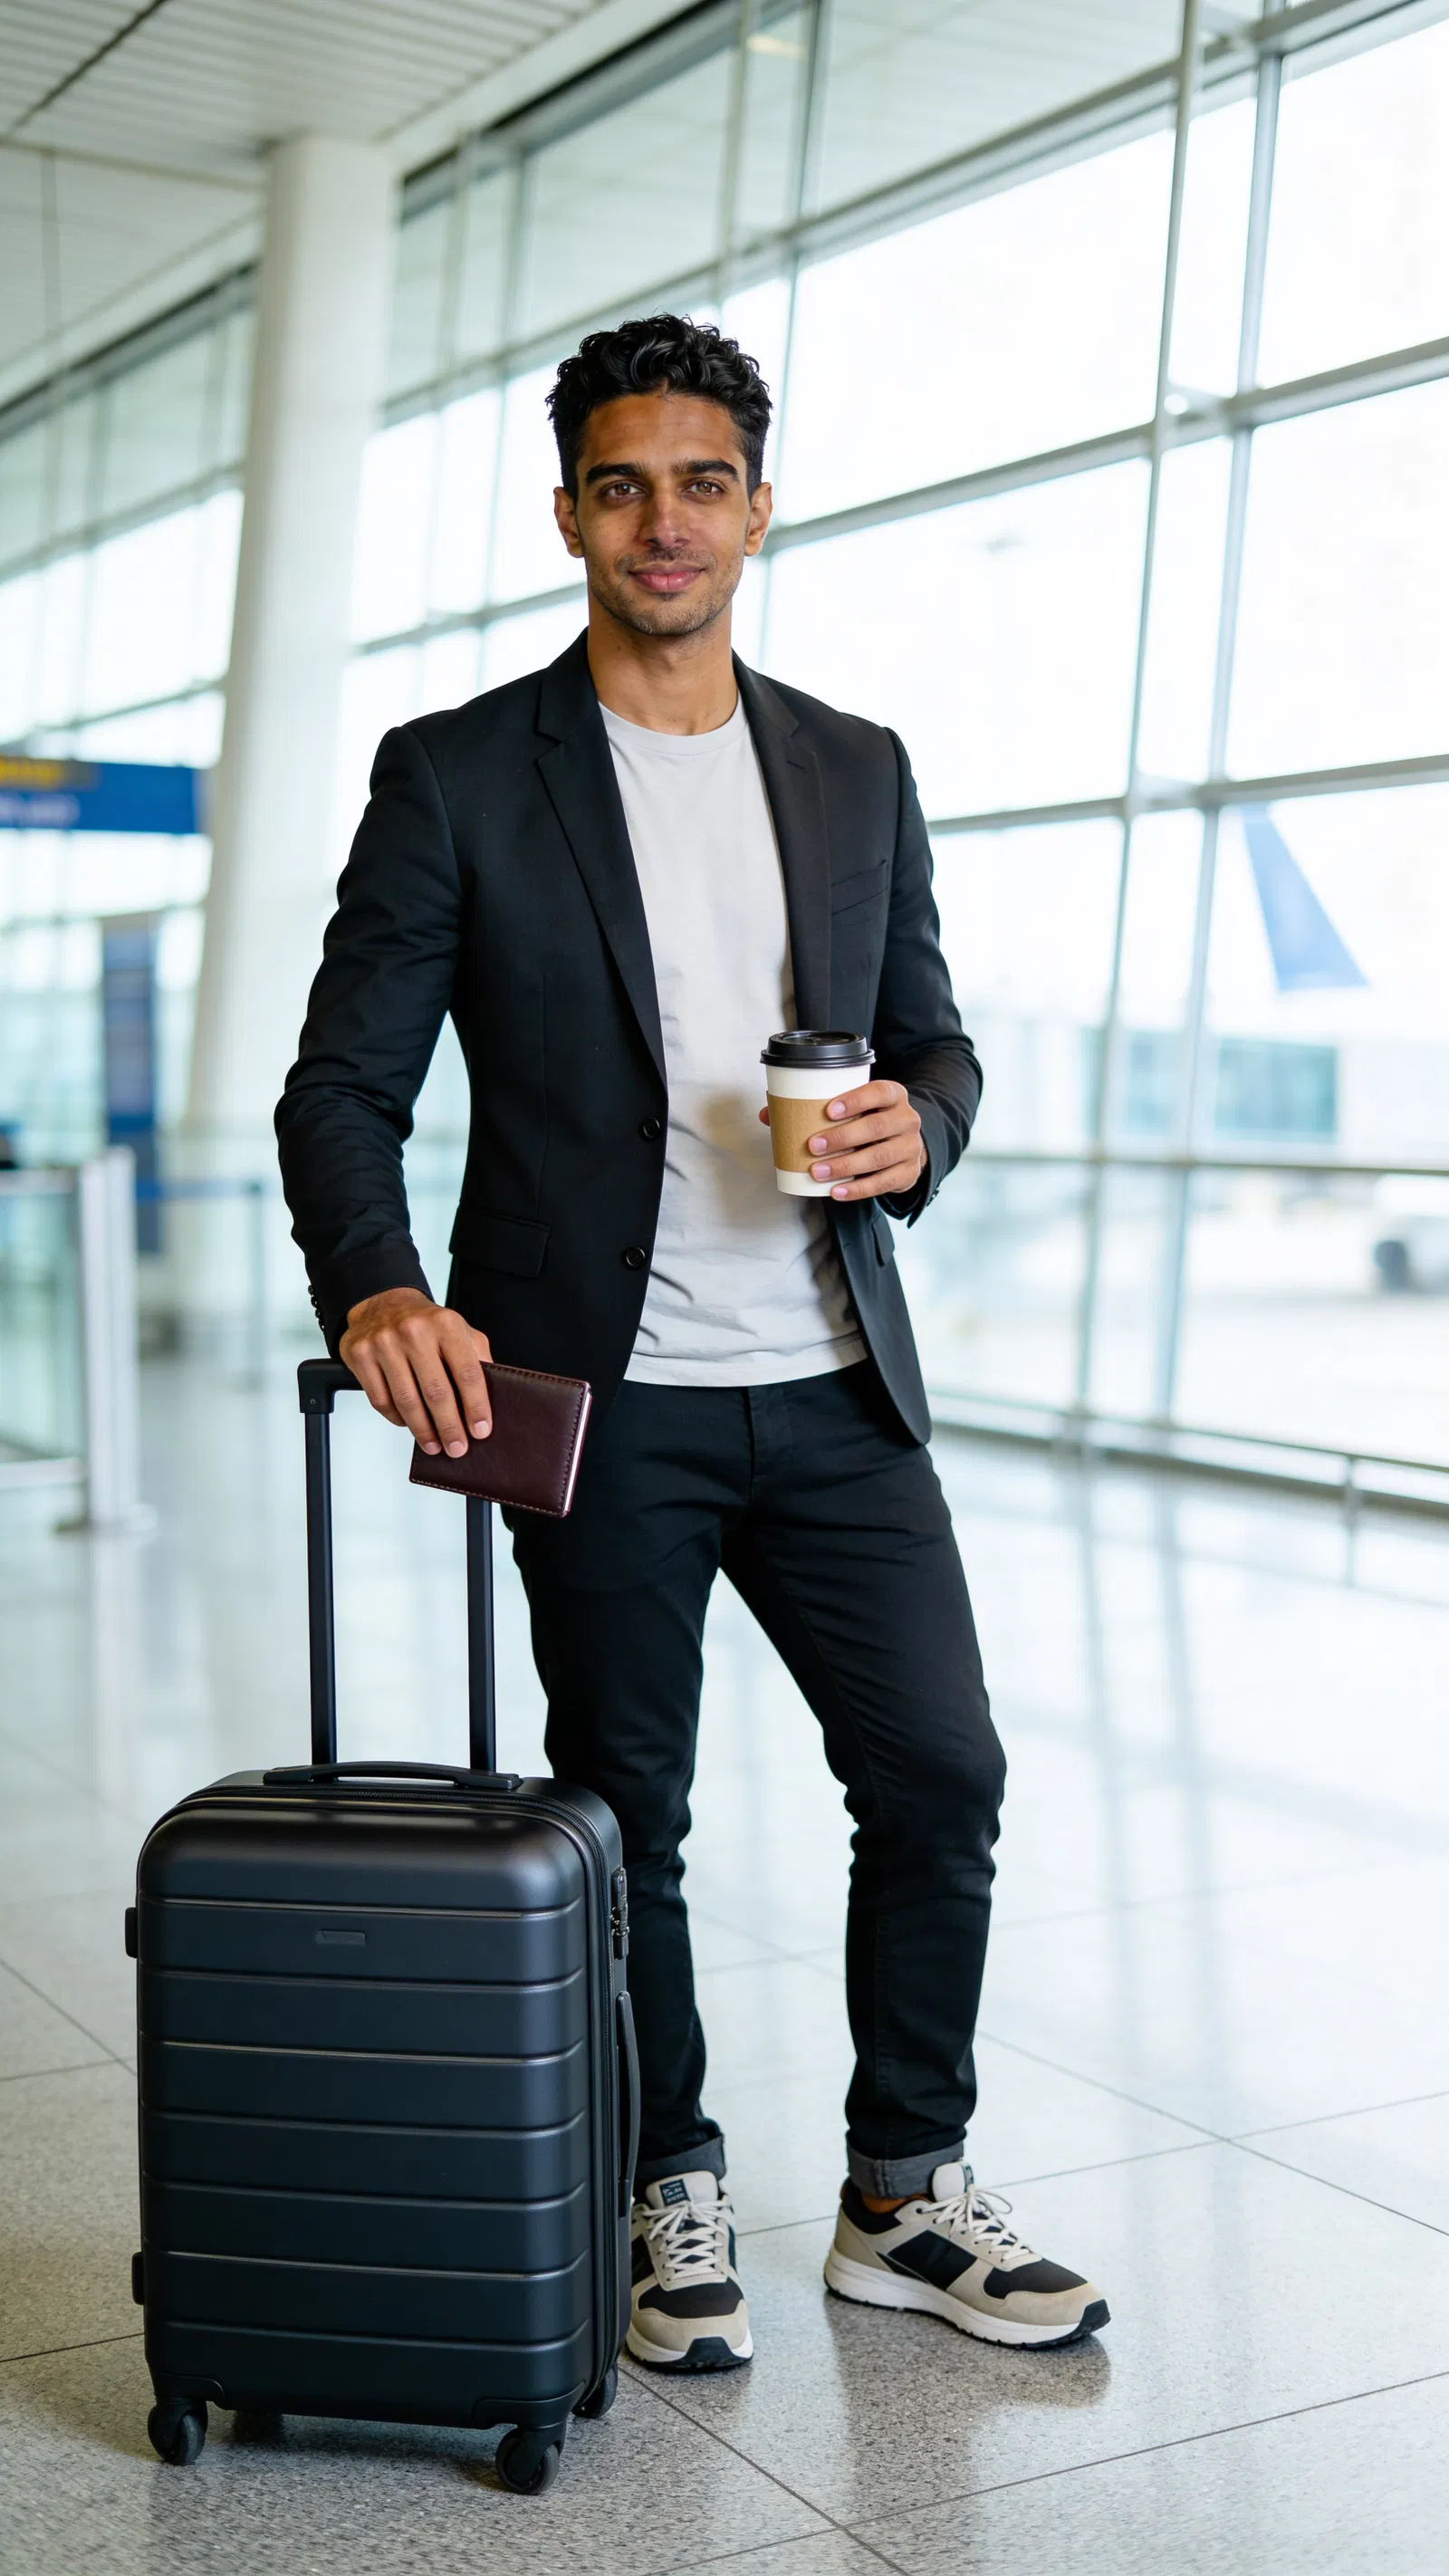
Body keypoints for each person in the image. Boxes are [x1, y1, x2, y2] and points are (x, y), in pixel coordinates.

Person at [277, 313, 1108, 2371]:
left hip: (832, 1380)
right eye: (623, 483)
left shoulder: (852, 766)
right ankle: (667, 2178)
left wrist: (926, 1124)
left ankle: (903, 2191)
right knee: (621, 1805)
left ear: (758, 503)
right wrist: (379, 1281)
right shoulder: (461, 773)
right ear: (567, 511)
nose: (666, 521)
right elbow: (338, 1088)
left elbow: (933, 1036)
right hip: (601, 1394)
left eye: (704, 480)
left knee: (939, 1771)